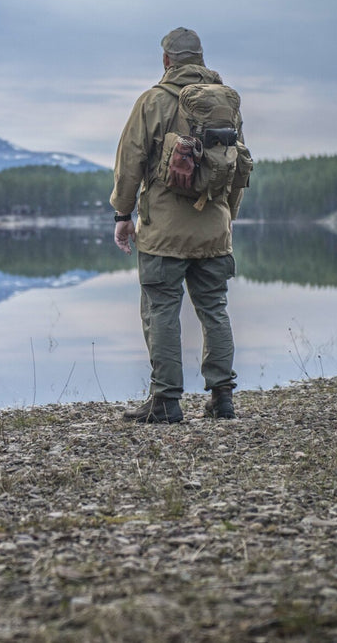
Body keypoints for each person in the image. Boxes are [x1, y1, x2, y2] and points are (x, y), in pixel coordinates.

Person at [109, 27, 248, 423]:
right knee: (215, 309)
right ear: (201, 59)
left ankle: (166, 402)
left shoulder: (152, 101)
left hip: (163, 232)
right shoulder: (228, 104)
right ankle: (222, 399)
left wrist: (122, 215)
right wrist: (227, 217)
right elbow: (238, 167)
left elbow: (130, 162)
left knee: (161, 311)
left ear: (166, 61)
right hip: (214, 229)